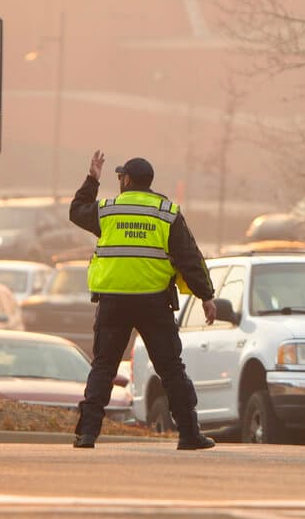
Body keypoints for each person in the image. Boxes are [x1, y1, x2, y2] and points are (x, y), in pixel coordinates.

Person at [68, 150, 217, 450]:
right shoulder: (167, 212)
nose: (119, 179)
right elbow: (189, 258)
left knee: (104, 367)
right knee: (171, 369)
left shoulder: (108, 211)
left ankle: (87, 435)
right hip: (153, 304)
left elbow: (77, 210)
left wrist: (92, 179)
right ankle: (189, 435)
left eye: (120, 176)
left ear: (128, 181)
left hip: (113, 303)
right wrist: (206, 296)